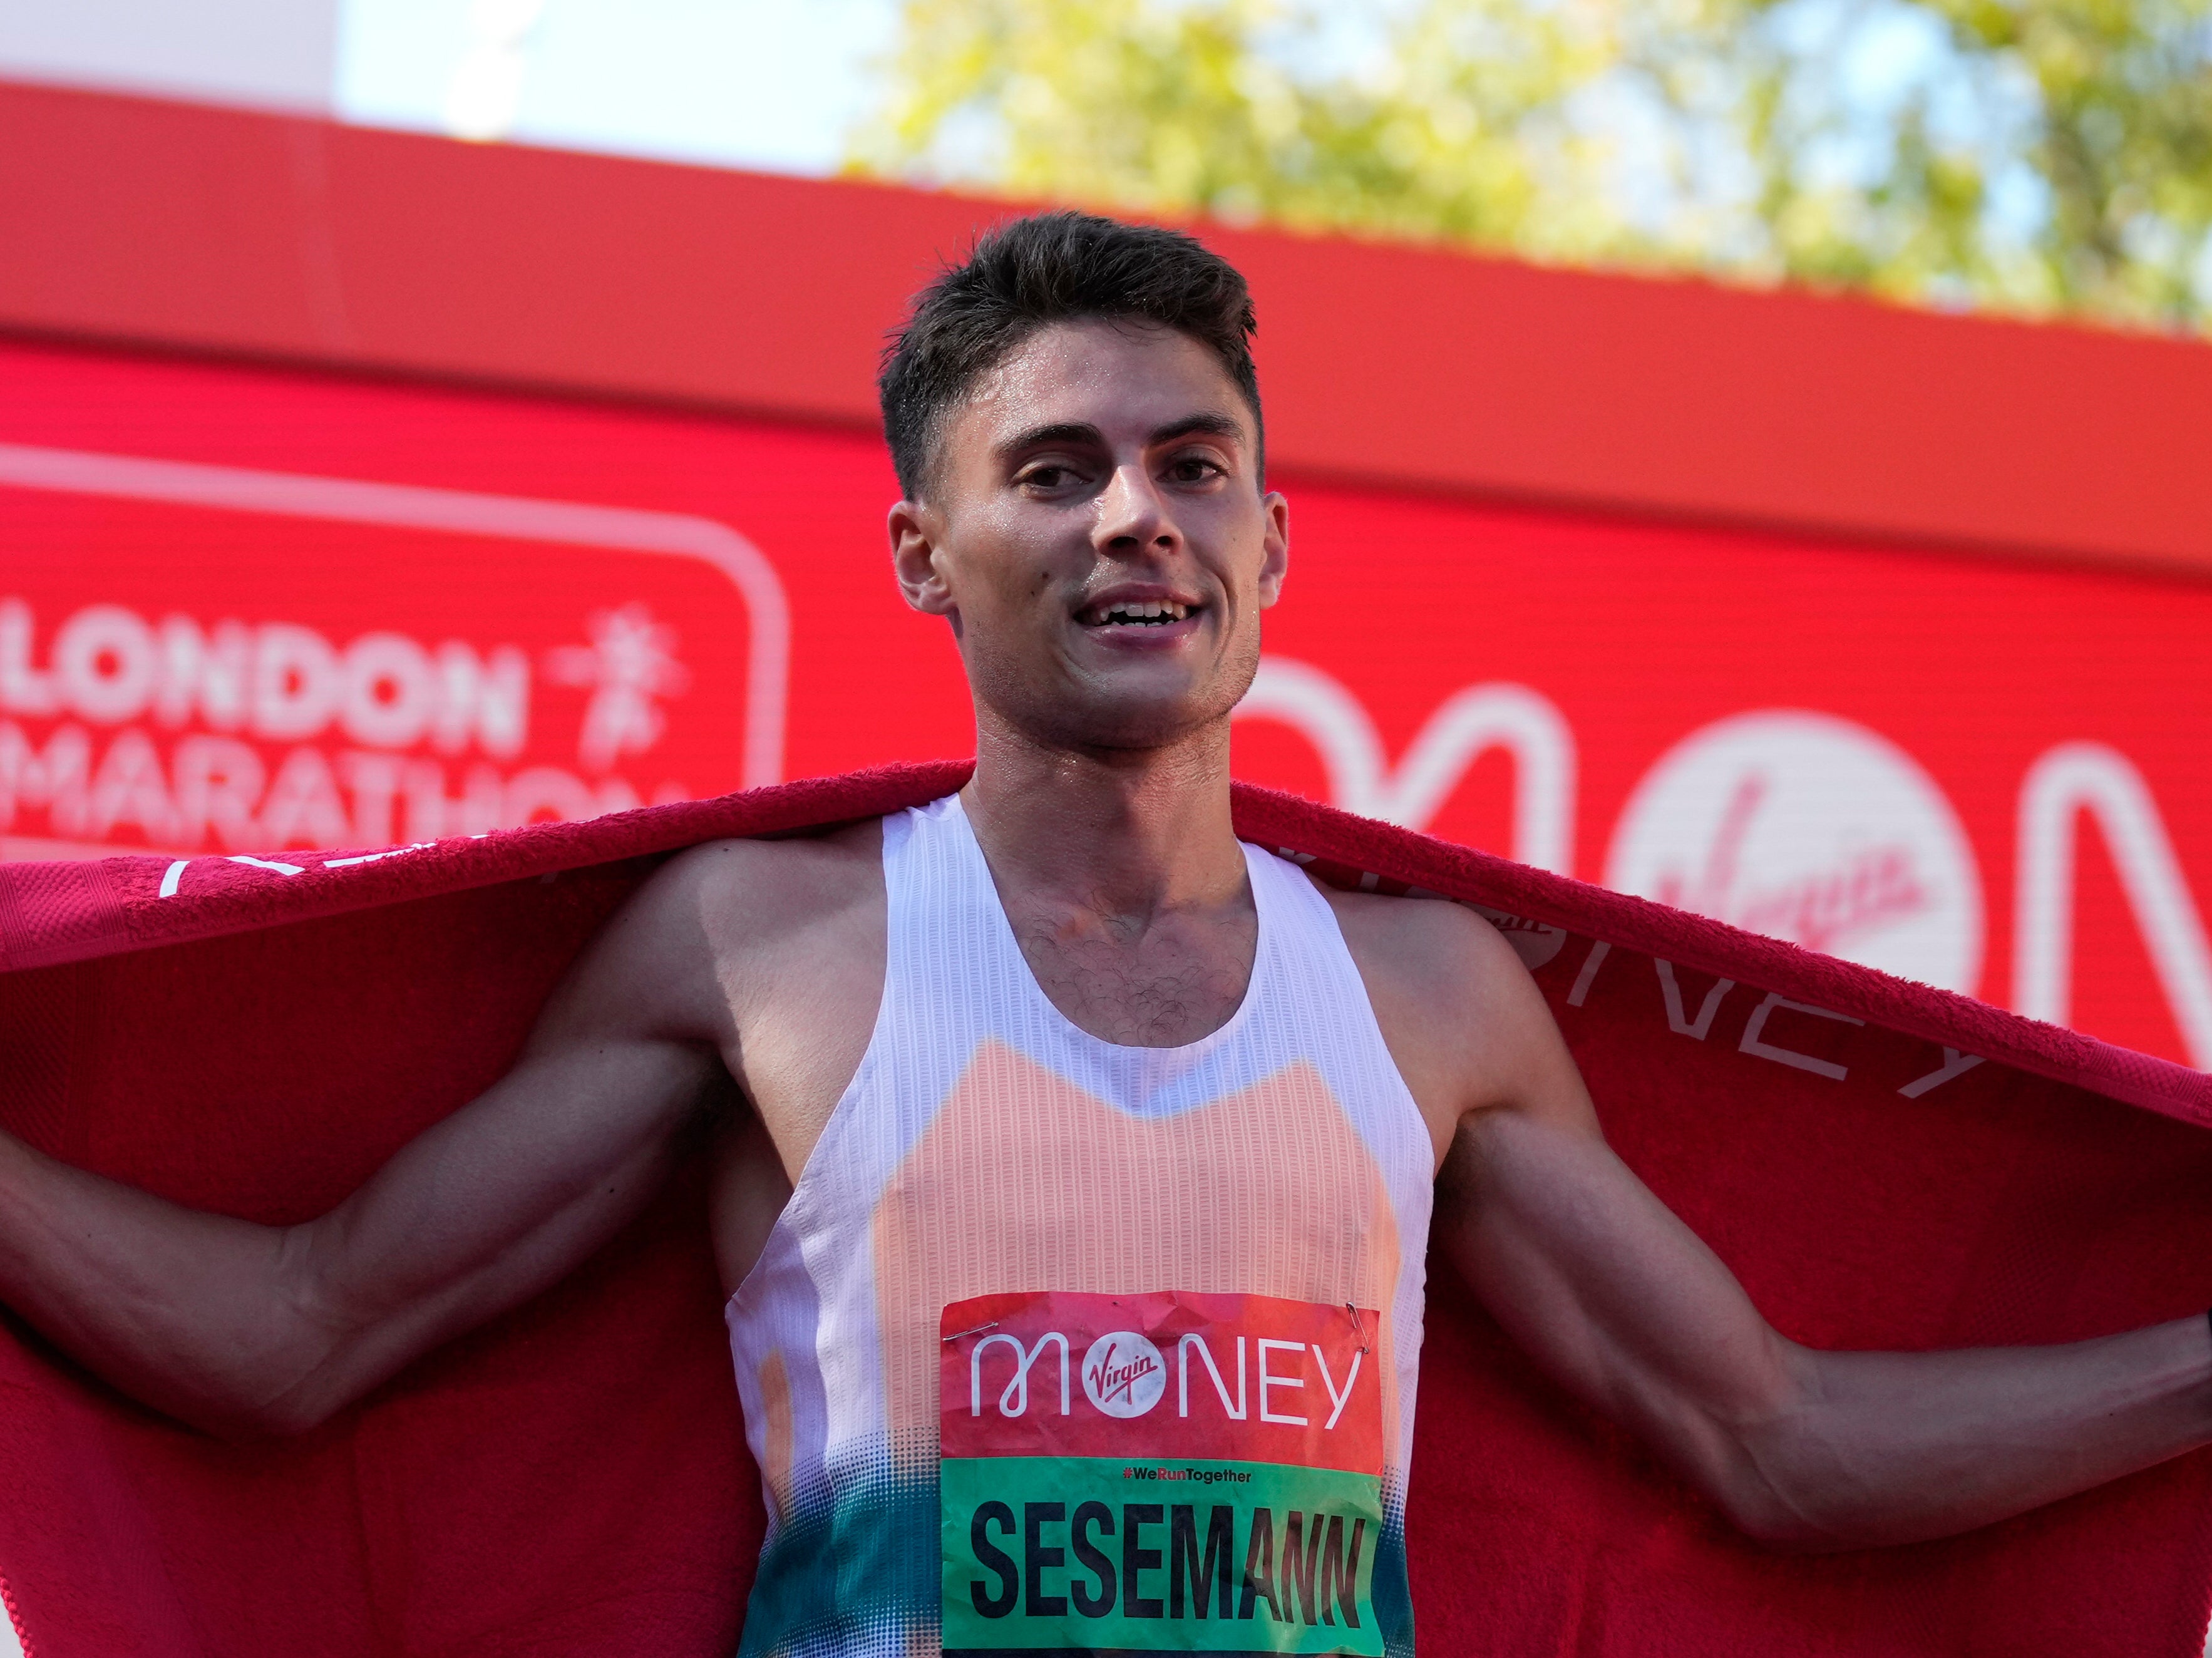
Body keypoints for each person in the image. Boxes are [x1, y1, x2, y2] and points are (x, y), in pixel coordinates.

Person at [0, 211, 2204, 1657]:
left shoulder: (1430, 1000)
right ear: (921, 552)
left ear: (1271, 538)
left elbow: (1778, 1442)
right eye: (1053, 469)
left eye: (1193, 461)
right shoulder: (760, 957)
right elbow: (297, 1332)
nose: (1137, 511)